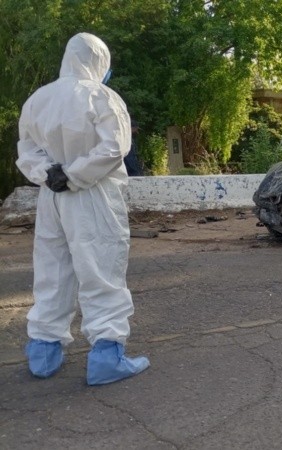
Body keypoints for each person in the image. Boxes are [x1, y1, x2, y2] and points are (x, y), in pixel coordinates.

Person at [15, 33, 150, 385]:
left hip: (51, 196)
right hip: (93, 194)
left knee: (51, 269)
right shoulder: (103, 97)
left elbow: (26, 150)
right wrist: (74, 176)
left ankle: (43, 352)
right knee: (101, 268)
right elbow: (112, 150)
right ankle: (107, 356)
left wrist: (50, 175)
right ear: (99, 61)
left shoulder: (38, 99)